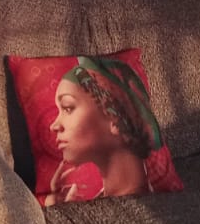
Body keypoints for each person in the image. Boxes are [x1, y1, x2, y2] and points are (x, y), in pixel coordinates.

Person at [47, 56, 162, 204]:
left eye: (68, 108)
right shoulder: (76, 201)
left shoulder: (156, 204)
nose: (54, 126)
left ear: (115, 117)